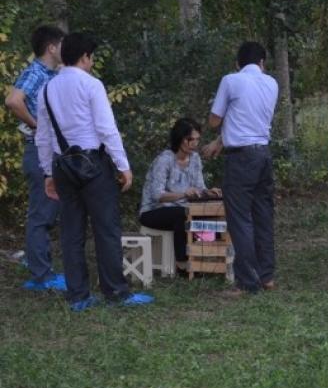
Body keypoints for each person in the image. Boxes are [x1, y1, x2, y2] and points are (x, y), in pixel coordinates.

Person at [35, 32, 152, 310]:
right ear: (85, 57)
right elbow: (106, 128)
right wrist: (123, 165)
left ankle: (78, 296)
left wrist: (47, 173)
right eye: (91, 57)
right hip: (93, 165)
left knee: (71, 232)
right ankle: (115, 293)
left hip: (62, 165)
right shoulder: (92, 85)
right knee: (106, 229)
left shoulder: (46, 89)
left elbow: (43, 136)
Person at [204, 41, 278, 295]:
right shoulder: (272, 83)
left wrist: (218, 135)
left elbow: (215, 120)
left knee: (240, 219)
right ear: (262, 63)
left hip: (241, 159)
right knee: (263, 215)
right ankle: (266, 276)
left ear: (237, 64)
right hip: (263, 155)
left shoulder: (231, 80)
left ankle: (247, 281)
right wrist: (221, 141)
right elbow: (247, 119)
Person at [4, 25, 66, 292]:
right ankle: (41, 276)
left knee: (48, 212)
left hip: (49, 152)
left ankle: (42, 268)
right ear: (51, 47)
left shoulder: (55, 74)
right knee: (41, 214)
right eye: (63, 44)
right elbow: (13, 101)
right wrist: (36, 125)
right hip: (37, 152)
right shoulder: (35, 72)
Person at [139, 118, 220, 265]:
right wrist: (184, 194)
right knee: (181, 214)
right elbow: (157, 195)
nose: (195, 143)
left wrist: (209, 192)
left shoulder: (195, 158)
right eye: (190, 139)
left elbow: (199, 188)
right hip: (153, 211)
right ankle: (182, 263)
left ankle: (210, 257)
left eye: (197, 139)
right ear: (180, 139)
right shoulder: (164, 160)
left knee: (215, 210)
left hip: (184, 209)